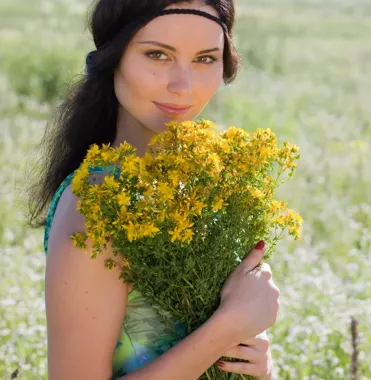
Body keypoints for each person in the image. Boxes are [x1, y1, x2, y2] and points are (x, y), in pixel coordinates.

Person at [25, 1, 280, 379]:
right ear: (114, 58)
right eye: (157, 54)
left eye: (205, 59)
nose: (183, 86)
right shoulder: (97, 205)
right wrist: (229, 326)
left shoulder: (197, 181)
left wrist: (255, 363)